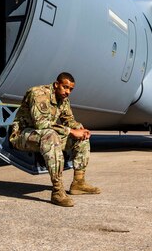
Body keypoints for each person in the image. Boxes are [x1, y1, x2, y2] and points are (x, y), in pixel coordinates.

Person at [9, 72, 100, 207]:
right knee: (50, 136)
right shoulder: (38, 94)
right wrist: (70, 131)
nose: (68, 92)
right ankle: (57, 191)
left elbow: (69, 120)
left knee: (80, 135)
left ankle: (78, 183)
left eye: (70, 89)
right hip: (23, 135)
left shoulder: (63, 99)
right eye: (65, 87)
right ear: (56, 85)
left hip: (42, 134)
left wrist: (80, 129)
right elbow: (41, 124)